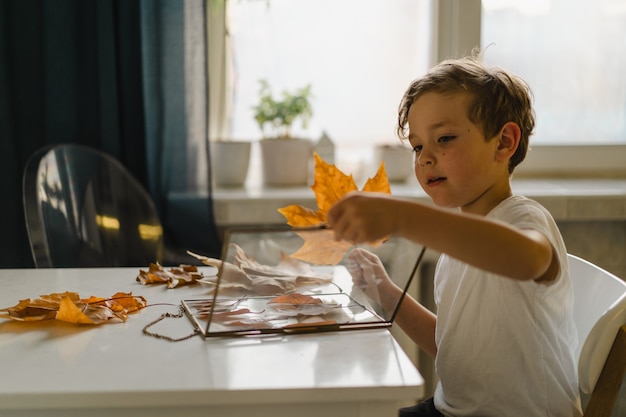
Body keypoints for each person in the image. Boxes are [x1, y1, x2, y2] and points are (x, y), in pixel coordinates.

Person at [327, 52, 582, 417]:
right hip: (451, 409)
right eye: (417, 146)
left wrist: (401, 216)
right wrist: (384, 291)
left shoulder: (523, 218)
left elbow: (529, 259)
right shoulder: (457, 249)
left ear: (504, 142)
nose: (425, 158)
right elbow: (449, 347)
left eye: (444, 138)